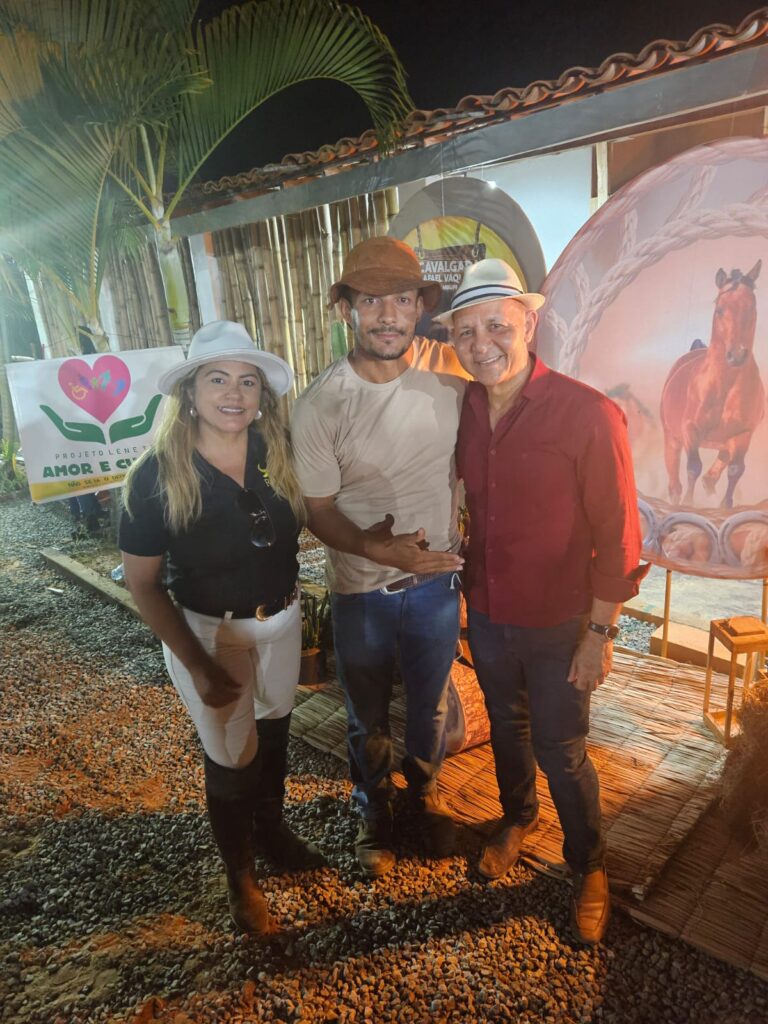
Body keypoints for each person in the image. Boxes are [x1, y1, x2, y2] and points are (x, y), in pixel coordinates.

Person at [438, 259, 648, 944]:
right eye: (466, 331)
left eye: (497, 325)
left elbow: (620, 537)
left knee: (562, 747)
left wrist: (600, 634)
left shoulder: (588, 413)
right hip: (490, 611)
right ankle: (517, 818)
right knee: (507, 727)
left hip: (562, 622)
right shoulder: (465, 411)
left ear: (529, 324)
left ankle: (588, 863)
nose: (482, 343)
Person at [119, 320, 322, 936]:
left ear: (261, 394)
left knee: (275, 731)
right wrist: (199, 665)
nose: (234, 393)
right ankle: (241, 876)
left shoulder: (277, 452)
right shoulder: (156, 476)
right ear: (190, 391)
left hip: (282, 620)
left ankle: (272, 832)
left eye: (247, 381)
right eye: (217, 379)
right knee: (233, 758)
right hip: (211, 633)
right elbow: (144, 584)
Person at [291, 236, 467, 877]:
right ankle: (373, 807)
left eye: (402, 299)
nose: (389, 315)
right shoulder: (320, 406)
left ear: (420, 305)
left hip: (437, 586)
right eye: (371, 301)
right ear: (347, 309)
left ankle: (423, 793)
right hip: (361, 588)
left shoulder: (453, 375)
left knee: (432, 703)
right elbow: (317, 508)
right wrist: (376, 547)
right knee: (366, 713)